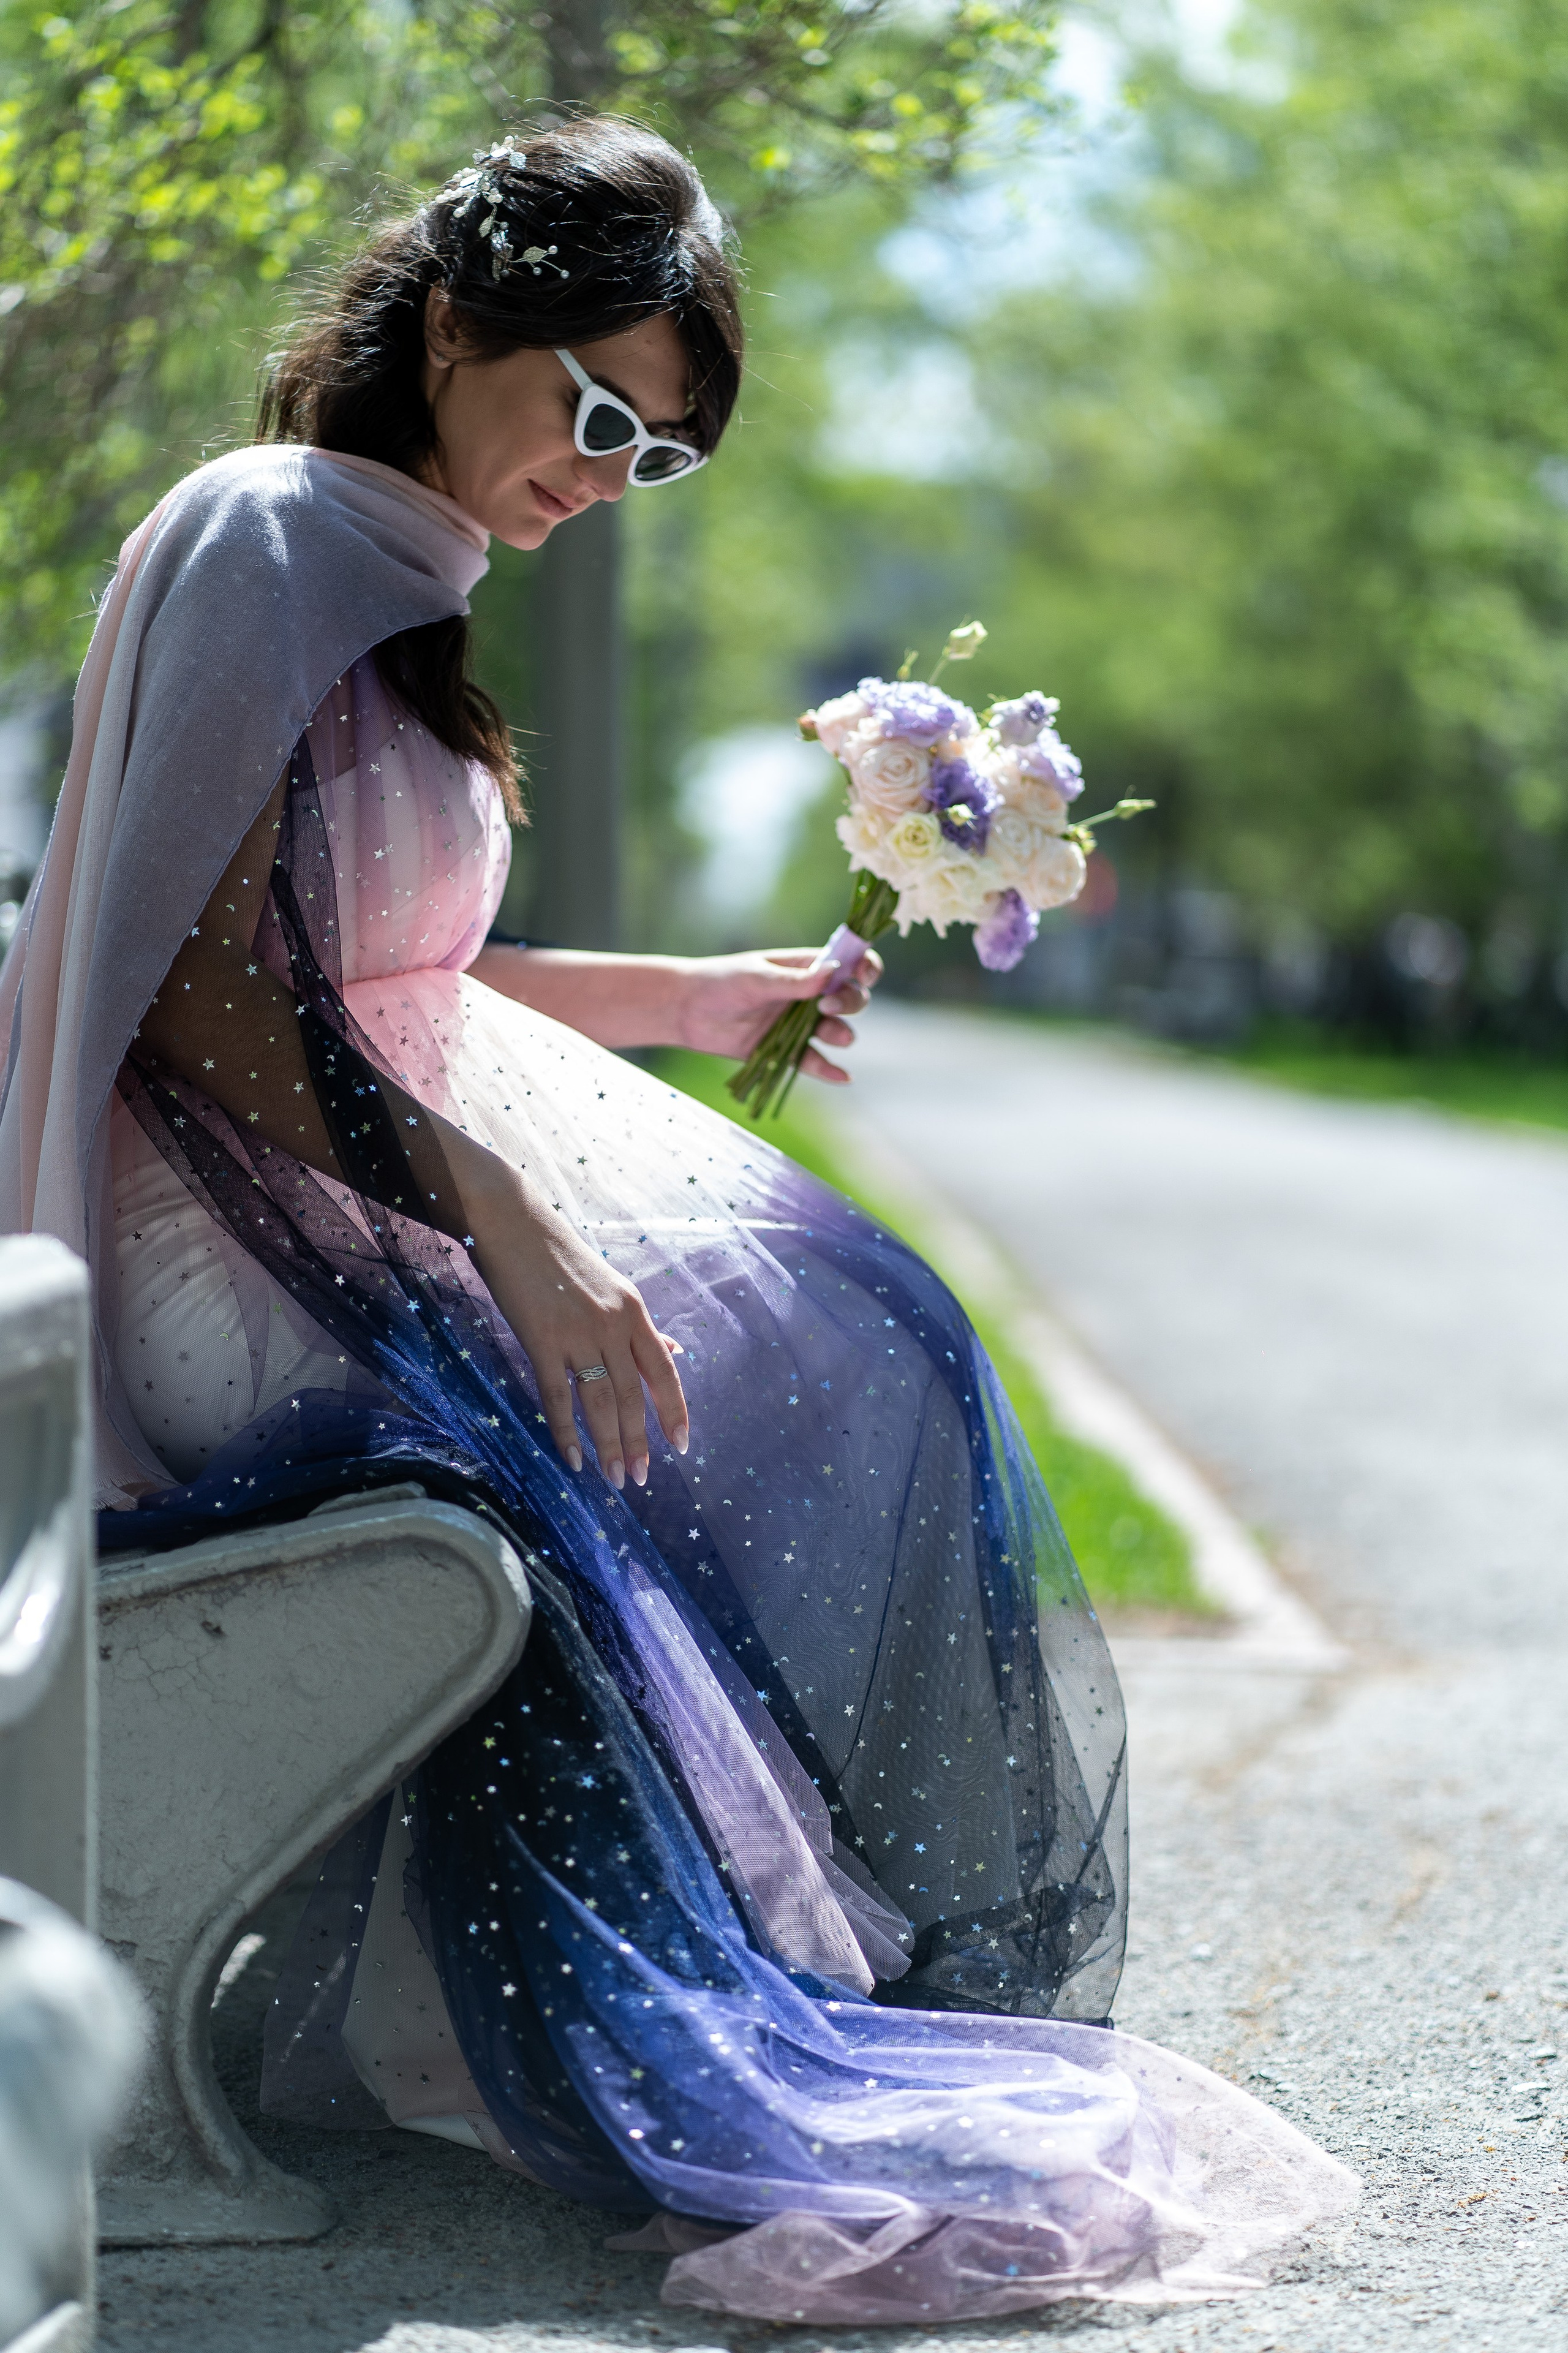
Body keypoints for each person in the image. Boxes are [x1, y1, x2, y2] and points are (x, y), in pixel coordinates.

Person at [0, 115, 1353, 2321]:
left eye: (668, 455)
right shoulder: (271, 536)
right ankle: (731, 1988)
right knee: (686, 1387)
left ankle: (813, 1934)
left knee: (856, 1334)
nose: (612, 476)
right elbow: (207, 987)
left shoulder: (395, 577)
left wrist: (696, 994)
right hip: (209, 1236)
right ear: (454, 325)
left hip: (339, 1183)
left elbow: (395, 965)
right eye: (599, 414)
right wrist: (513, 1215)